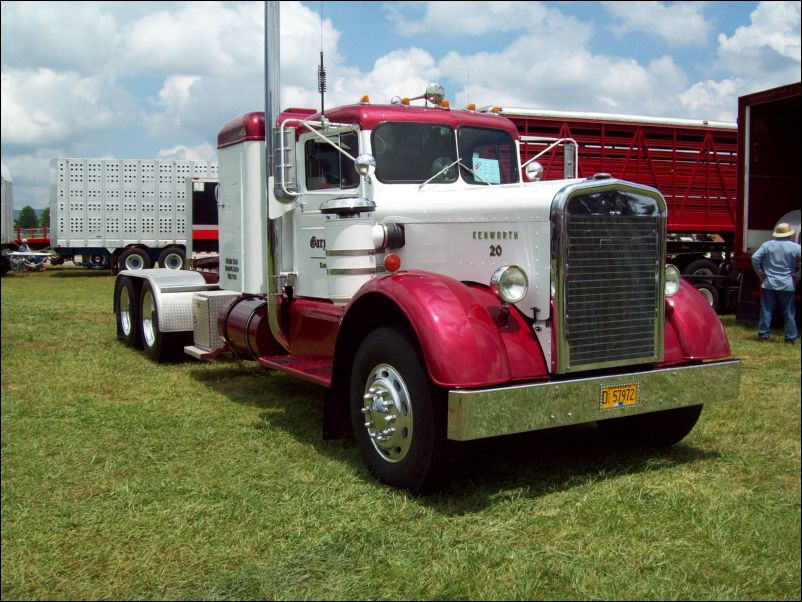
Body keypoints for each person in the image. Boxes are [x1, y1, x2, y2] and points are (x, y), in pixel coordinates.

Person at [751, 222, 801, 344]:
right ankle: (789, 338)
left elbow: (755, 258)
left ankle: (764, 336)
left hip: (769, 283)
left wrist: (760, 273)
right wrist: (798, 275)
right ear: (789, 235)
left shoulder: (767, 245)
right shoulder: (796, 247)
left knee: (766, 311)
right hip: (787, 284)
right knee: (789, 313)